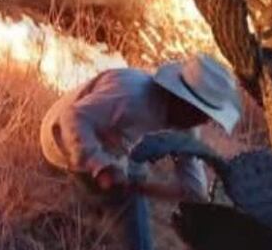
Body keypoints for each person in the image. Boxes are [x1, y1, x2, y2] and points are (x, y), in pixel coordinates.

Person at [40, 54, 242, 202]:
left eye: (207, 116)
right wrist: (102, 167)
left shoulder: (185, 124)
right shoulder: (131, 96)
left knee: (134, 178)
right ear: (183, 101)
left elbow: (194, 188)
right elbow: (71, 118)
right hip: (60, 138)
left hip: (112, 145)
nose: (204, 122)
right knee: (130, 204)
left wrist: (201, 230)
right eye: (201, 114)